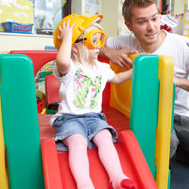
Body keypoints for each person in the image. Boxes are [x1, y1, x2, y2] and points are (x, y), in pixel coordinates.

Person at [100, 0, 189, 180]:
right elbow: (84, 42)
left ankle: (180, 149)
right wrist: (108, 52)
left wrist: (176, 81)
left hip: (181, 116)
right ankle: (172, 149)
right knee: (165, 147)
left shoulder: (184, 45)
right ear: (129, 25)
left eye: (154, 18)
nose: (151, 27)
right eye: (141, 22)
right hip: (149, 116)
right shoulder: (123, 42)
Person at [51, 14, 137, 189]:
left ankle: (117, 177)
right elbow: (62, 59)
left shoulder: (102, 68)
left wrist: (138, 68)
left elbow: (118, 78)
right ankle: (84, 183)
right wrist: (68, 36)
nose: (100, 46)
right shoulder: (70, 68)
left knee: (105, 138)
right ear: (75, 47)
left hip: (95, 117)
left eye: (101, 40)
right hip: (70, 118)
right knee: (78, 142)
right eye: (93, 41)